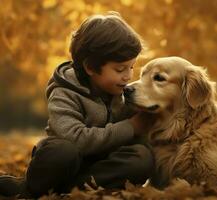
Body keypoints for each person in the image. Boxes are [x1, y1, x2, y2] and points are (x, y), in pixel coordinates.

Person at [0, 12, 155, 198]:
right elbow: (75, 139)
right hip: (62, 163)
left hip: (98, 167)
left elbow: (142, 133)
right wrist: (130, 127)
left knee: (142, 158)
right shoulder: (64, 91)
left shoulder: (121, 91)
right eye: (120, 69)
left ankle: (71, 189)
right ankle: (29, 188)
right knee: (63, 152)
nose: (128, 76)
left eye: (131, 67)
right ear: (90, 67)